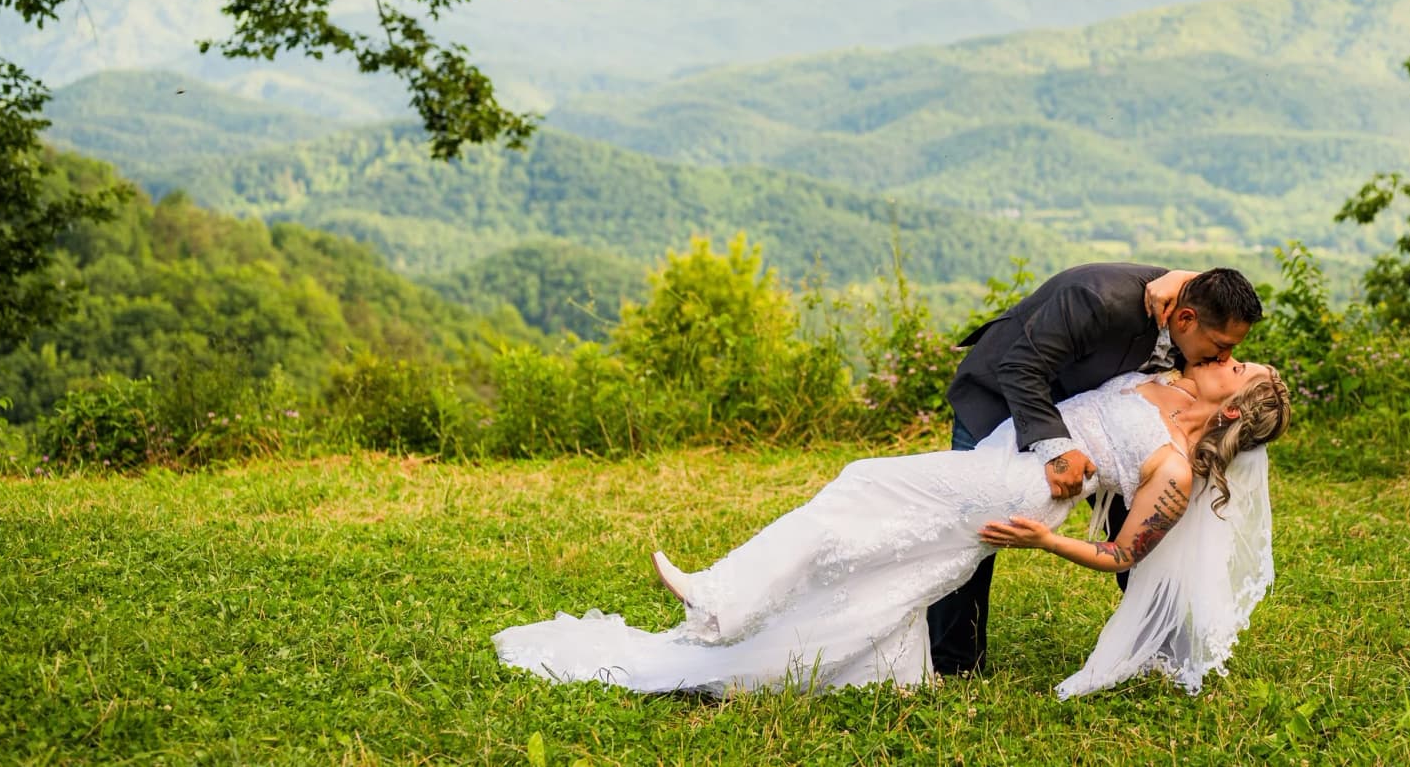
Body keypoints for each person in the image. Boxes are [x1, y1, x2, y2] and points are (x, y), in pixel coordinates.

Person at [491, 360, 1290, 698]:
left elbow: (1120, 551)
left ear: (1231, 407)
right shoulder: (1160, 375)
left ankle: (722, 597)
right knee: (897, 569)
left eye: (1238, 368)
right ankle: (886, 674)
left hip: (1019, 487)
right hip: (1016, 449)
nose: (1227, 356)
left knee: (863, 482)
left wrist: (1045, 540)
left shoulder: (1177, 472)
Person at [926, 264, 1262, 675]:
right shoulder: (1098, 299)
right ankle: (953, 664)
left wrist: (1179, 274)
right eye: (1221, 346)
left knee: (1139, 526)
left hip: (1101, 426)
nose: (1226, 358)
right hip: (1001, 395)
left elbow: (1210, 285)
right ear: (1187, 319)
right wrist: (1056, 447)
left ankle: (1161, 649)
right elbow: (1020, 367)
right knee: (971, 523)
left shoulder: (1187, 305)